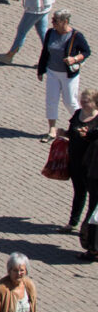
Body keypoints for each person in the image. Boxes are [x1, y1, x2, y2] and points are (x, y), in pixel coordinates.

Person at [36, 10, 89, 140]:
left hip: (68, 74)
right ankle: (52, 130)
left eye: (55, 21)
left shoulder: (76, 36)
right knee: (51, 100)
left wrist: (75, 59)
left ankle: (83, 124)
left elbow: (86, 51)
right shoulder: (50, 33)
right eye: (53, 20)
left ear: (65, 22)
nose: (52, 22)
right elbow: (45, 52)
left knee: (70, 101)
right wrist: (41, 69)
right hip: (52, 72)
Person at [65, 89, 97, 238]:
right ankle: (73, 222)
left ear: (95, 103)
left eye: (86, 101)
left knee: (93, 196)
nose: (83, 102)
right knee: (78, 192)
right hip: (75, 161)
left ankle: (89, 227)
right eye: (82, 99)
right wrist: (63, 134)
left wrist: (87, 135)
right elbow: (70, 132)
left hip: (91, 164)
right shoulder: (78, 114)